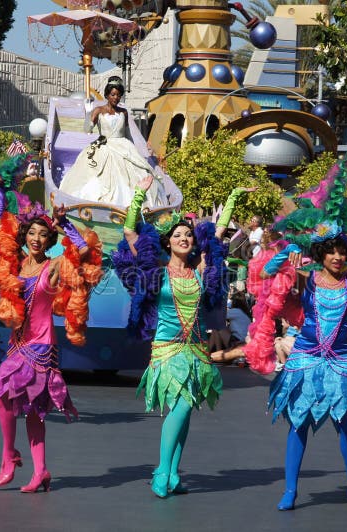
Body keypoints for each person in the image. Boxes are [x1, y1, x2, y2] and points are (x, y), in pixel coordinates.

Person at [112, 176, 240, 498]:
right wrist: (139, 192)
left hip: (196, 353)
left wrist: (234, 197)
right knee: (180, 407)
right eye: (177, 235)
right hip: (167, 352)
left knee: (185, 414)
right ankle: (161, 470)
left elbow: (218, 234)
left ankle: (173, 476)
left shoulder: (200, 271)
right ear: (167, 242)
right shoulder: (155, 269)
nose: (184, 238)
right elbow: (130, 232)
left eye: (188, 235)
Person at [0, 177, 102, 493]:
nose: (36, 238)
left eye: (42, 233)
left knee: (16, 402)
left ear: (49, 238)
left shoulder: (53, 267)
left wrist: (64, 222)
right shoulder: (17, 263)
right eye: (32, 233)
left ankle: (11, 457)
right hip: (18, 344)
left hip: (40, 347)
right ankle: (39, 470)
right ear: (24, 236)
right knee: (16, 405)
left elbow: (83, 251)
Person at [265, 222, 347, 514]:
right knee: (298, 423)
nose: (338, 257)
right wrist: (288, 251)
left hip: (340, 360)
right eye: (331, 252)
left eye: (342, 252)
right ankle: (290, 490)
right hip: (306, 356)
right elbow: (268, 270)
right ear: (321, 254)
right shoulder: (308, 280)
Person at [58, 76, 168, 208]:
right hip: (105, 147)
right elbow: (87, 129)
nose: (116, 98)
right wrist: (88, 113)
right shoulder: (98, 110)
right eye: (113, 94)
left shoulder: (124, 112)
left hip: (124, 147)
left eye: (118, 95)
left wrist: (135, 152)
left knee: (134, 177)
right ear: (107, 95)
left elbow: (128, 135)